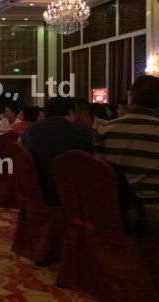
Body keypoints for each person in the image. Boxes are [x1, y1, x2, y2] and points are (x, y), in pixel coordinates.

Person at [96, 75, 159, 213]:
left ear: (130, 99)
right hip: (153, 209)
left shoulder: (104, 129)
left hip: (115, 209)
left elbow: (98, 172)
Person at [22, 97, 94, 206]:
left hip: (36, 188)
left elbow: (19, 149)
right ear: (71, 112)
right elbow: (92, 161)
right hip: (71, 193)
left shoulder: (32, 129)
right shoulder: (81, 131)